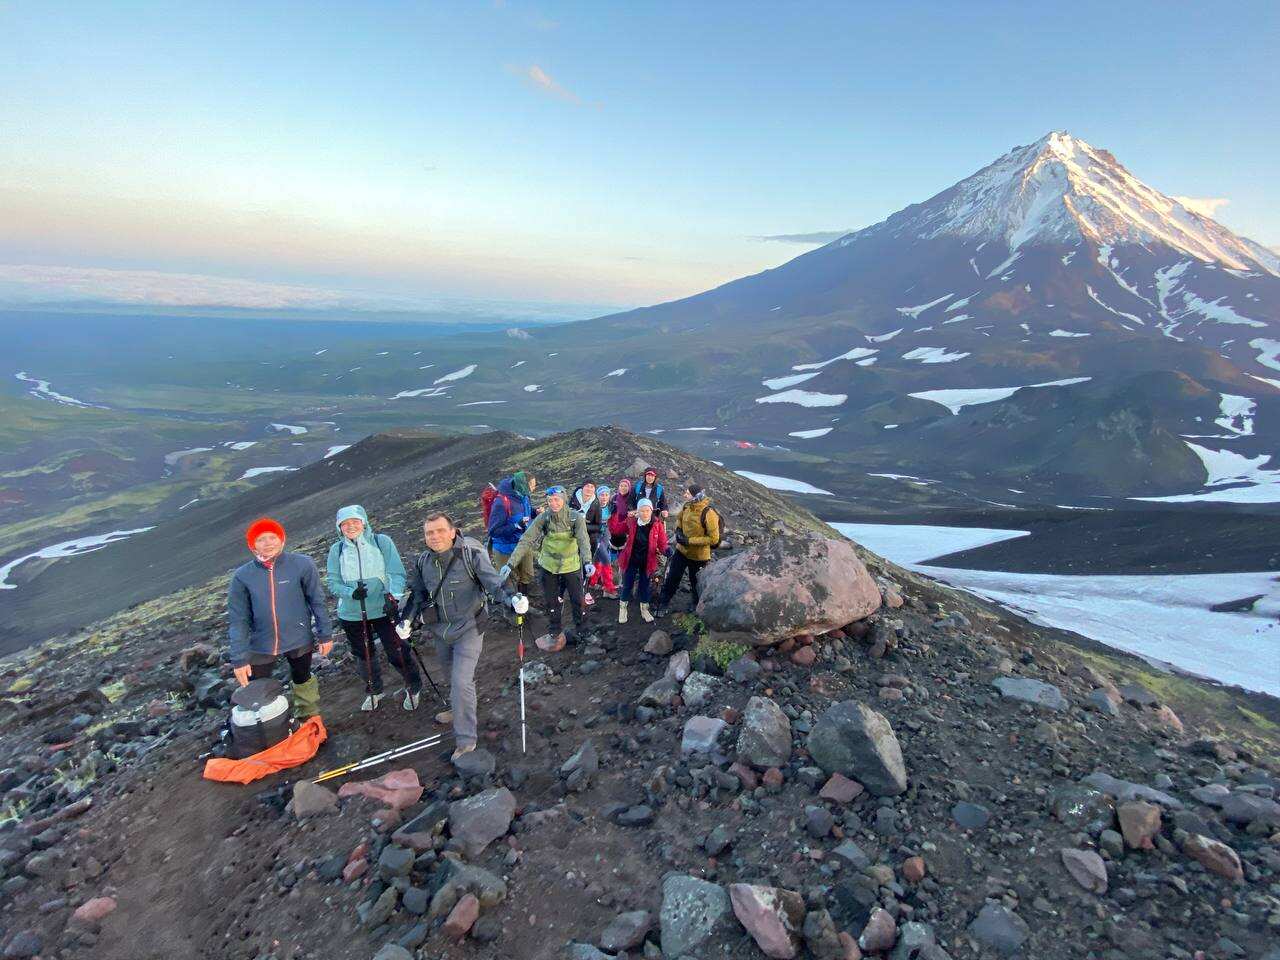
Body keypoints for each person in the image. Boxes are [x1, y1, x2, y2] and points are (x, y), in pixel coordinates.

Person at [399, 513, 528, 762]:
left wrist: (513, 599)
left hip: (469, 627)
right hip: (441, 630)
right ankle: (459, 709)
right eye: (429, 533)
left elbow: (494, 584)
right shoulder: (423, 562)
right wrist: (406, 620)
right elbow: (417, 594)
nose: (434, 536)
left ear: (452, 532)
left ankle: (466, 740)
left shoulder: (471, 555)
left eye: (439, 531)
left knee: (460, 681)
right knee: (450, 677)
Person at [227, 517, 334, 719]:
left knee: (302, 677)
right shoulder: (242, 576)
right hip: (261, 644)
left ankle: (309, 717)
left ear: (282, 539)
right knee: (256, 688)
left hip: (299, 638)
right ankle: (268, 723)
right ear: (252, 545)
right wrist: (239, 658)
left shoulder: (302, 564)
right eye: (261, 539)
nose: (268, 543)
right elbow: (238, 619)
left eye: (272, 537)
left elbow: (317, 600)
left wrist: (325, 634)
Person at [326, 504, 422, 712]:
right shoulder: (337, 550)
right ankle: (374, 690)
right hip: (351, 613)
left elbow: (396, 573)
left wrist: (393, 596)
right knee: (364, 655)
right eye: (345, 523)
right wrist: (350, 593)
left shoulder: (381, 542)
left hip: (383, 609)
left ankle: (413, 686)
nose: (351, 526)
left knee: (397, 650)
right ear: (339, 527)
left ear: (364, 522)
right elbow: (332, 582)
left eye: (355, 521)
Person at [502, 485, 592, 653]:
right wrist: (511, 563)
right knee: (552, 601)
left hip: (571, 566)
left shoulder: (575, 518)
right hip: (548, 566)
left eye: (556, 499)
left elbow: (583, 540)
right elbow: (526, 540)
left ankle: (583, 631)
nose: (553, 503)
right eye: (550, 500)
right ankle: (555, 632)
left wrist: (587, 561)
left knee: (578, 599)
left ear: (564, 499)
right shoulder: (543, 518)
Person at [655, 483, 720, 616]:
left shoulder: (708, 513)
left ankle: (696, 604)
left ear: (695, 495)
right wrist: (678, 531)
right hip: (681, 551)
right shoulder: (686, 506)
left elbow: (713, 539)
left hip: (699, 556)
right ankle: (663, 602)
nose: (685, 495)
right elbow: (679, 520)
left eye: (687, 493)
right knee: (673, 577)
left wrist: (689, 541)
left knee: (695, 581)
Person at [616, 498, 671, 624]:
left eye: (647, 510)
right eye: (642, 510)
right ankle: (622, 609)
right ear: (638, 511)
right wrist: (621, 516)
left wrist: (666, 550)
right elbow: (618, 529)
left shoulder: (657, 525)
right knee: (627, 584)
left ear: (651, 511)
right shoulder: (632, 522)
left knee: (644, 585)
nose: (645, 513)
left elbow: (662, 543)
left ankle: (644, 609)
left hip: (647, 560)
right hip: (631, 559)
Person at [586, 484, 618, 598]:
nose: (604, 497)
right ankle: (608, 588)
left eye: (606, 495)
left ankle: (593, 582)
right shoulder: (593, 506)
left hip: (605, 534)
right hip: (595, 535)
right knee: (606, 558)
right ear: (597, 496)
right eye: (601, 495)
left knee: (598, 558)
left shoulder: (611, 506)